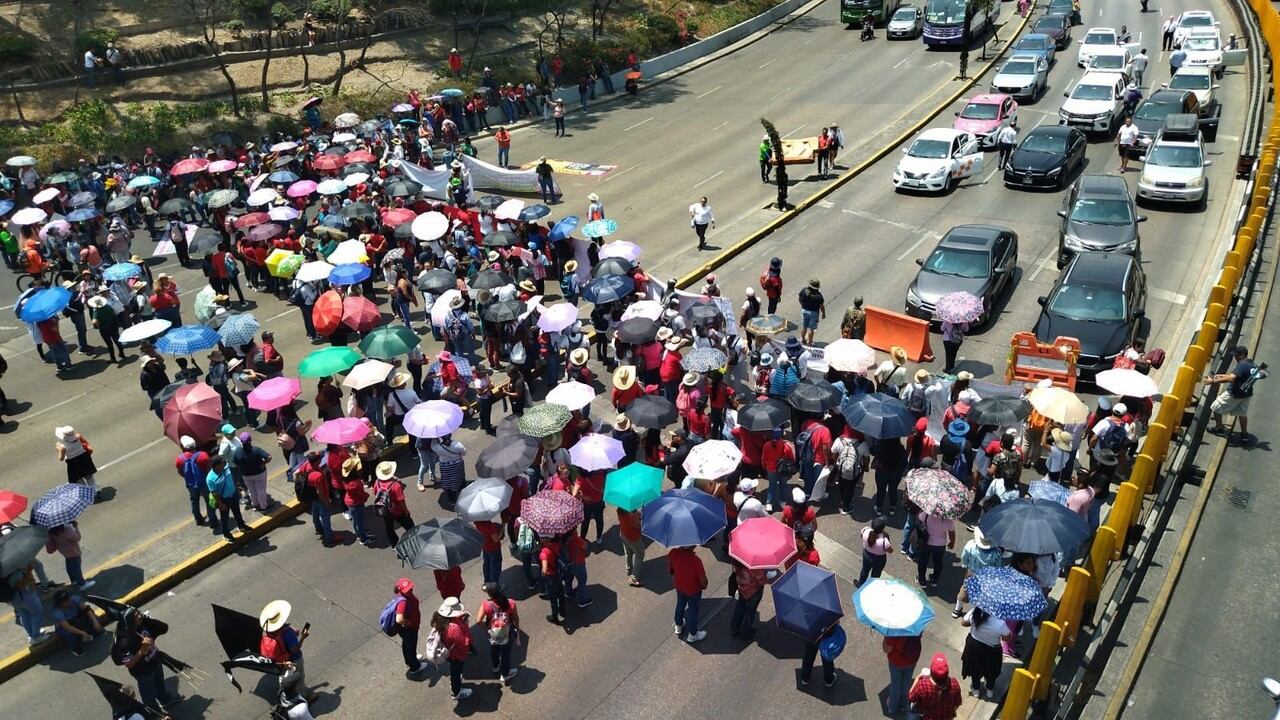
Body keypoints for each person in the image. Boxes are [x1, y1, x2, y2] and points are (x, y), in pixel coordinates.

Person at [111, 607, 178, 712]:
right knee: (148, 694)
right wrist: (142, 650)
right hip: (143, 672)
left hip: (155, 662)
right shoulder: (124, 640)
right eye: (136, 615)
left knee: (159, 682)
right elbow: (129, 664)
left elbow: (164, 628)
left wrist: (148, 619)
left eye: (139, 612)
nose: (140, 615)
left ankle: (165, 700)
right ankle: (156, 713)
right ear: (130, 621)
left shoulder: (143, 624)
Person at [1206, 345, 1266, 443]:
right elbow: (1238, 376)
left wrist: (1213, 381)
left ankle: (1219, 428)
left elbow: (1231, 378)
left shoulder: (1242, 365)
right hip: (1246, 394)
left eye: (1236, 355)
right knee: (1242, 414)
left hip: (1234, 393)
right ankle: (1244, 434)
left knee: (1215, 407)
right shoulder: (1253, 365)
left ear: (1242, 355)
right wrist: (1221, 376)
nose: (1235, 357)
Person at [258, 600, 313, 703]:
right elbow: (295, 649)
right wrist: (303, 637)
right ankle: (304, 696)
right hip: (293, 659)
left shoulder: (269, 630)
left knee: (285, 676)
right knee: (299, 676)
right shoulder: (287, 632)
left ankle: (286, 692)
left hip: (280, 660)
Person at [960, 605, 1010, 698]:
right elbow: (1007, 637)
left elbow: (963, 622)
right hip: (992, 651)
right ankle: (989, 690)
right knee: (991, 671)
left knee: (975, 670)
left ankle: (976, 689)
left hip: (973, 647)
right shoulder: (999, 623)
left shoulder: (975, 613)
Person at [476, 585, 521, 682]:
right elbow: (516, 618)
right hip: (507, 632)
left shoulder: (486, 604)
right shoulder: (510, 603)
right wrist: (517, 630)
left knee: (494, 649)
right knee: (506, 653)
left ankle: (495, 666)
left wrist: (487, 629)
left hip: (494, 632)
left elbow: (478, 620)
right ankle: (505, 674)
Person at [434, 597, 474, 701]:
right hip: (456, 654)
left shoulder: (440, 619)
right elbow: (464, 643)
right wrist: (466, 627)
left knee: (454, 669)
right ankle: (456, 692)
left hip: (448, 650)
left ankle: (455, 682)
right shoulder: (453, 628)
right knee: (456, 671)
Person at [668, 545, 708, 643]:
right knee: (693, 611)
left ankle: (678, 624)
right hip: (693, 590)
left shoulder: (673, 553)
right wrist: (704, 585)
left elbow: (671, 569)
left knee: (680, 604)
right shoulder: (696, 561)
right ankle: (693, 634)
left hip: (679, 585)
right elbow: (703, 580)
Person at [908, 652, 964, 720]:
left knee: (911, 709)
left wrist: (917, 679)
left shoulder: (923, 685)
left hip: (928, 717)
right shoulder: (954, 684)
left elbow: (911, 697)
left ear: (931, 672)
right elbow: (957, 704)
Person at [51, 590, 104, 656]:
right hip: (66, 626)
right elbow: (68, 628)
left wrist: (95, 621)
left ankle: (94, 632)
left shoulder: (74, 599)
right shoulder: (57, 613)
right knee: (69, 633)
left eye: (68, 598)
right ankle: (74, 648)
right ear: (60, 604)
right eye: (65, 601)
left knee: (91, 616)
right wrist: (83, 633)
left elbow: (87, 609)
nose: (69, 601)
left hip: (77, 619)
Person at [176, 435, 213, 527]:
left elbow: (181, 472)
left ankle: (198, 519)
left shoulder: (180, 459)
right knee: (209, 501)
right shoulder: (203, 455)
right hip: (204, 482)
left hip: (191, 484)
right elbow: (209, 469)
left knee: (194, 501)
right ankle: (213, 520)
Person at [883, 631, 923, 715]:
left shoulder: (894, 631)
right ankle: (904, 704)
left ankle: (892, 707)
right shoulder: (916, 624)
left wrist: (885, 637)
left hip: (896, 662)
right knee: (907, 682)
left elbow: (886, 649)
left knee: (896, 684)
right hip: (912, 659)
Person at [373, 461, 413, 546]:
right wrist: (406, 511)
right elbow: (401, 501)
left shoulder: (377, 482)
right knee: (410, 526)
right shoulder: (396, 485)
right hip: (398, 511)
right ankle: (414, 538)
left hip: (385, 511)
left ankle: (394, 544)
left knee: (389, 528)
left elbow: (375, 493)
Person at [48, 521, 95, 589]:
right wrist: (75, 527)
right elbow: (77, 537)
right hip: (73, 551)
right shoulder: (66, 529)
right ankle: (81, 584)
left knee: (70, 566)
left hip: (64, 551)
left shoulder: (52, 531)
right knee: (76, 568)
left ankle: (73, 581)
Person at [915, 510, 955, 589]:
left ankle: (922, 580)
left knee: (923, 561)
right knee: (938, 562)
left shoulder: (926, 515)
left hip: (926, 542)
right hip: (940, 545)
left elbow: (918, 517)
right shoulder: (949, 521)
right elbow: (952, 533)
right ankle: (934, 580)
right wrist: (952, 542)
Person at [55, 425, 99, 496]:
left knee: (79, 480)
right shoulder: (78, 436)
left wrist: (58, 449)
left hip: (73, 463)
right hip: (84, 458)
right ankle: (95, 491)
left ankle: (87, 494)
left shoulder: (62, 446)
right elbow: (89, 447)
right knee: (89, 477)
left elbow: (61, 458)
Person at [235, 432, 273, 511]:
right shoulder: (256, 450)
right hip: (259, 473)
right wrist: (263, 464)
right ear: (250, 440)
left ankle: (255, 504)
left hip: (246, 475)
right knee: (261, 490)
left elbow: (235, 462)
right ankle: (264, 506)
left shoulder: (238, 451)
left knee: (251, 490)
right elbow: (269, 457)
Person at [857, 517, 894, 586]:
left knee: (864, 570)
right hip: (879, 560)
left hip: (866, 555)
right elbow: (890, 551)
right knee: (875, 575)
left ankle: (860, 584)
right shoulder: (884, 541)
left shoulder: (865, 530)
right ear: (882, 529)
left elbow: (861, 536)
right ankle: (872, 587)